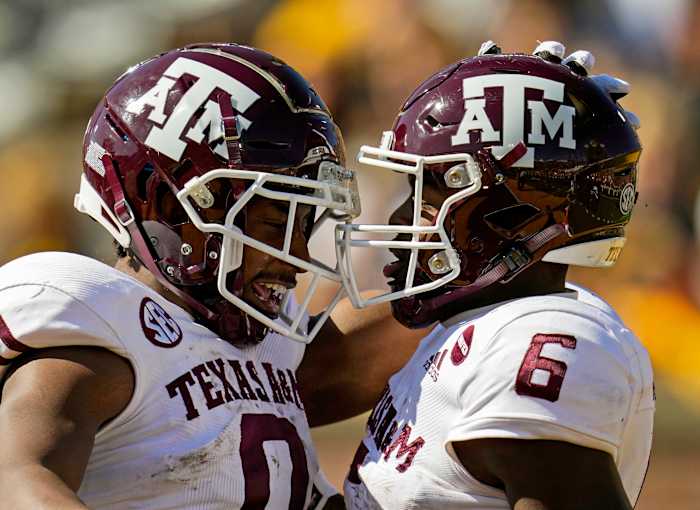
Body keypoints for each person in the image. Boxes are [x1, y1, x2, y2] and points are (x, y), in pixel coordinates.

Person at [0, 43, 426, 509]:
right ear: (168, 206)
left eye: (305, 224)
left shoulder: (272, 348)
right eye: (273, 222)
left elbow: (414, 320)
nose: (299, 254)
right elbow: (16, 476)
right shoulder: (102, 324)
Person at [337, 41, 654, 509]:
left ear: (513, 214)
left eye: (431, 192)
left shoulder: (543, 340)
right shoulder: (473, 320)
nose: (403, 216)